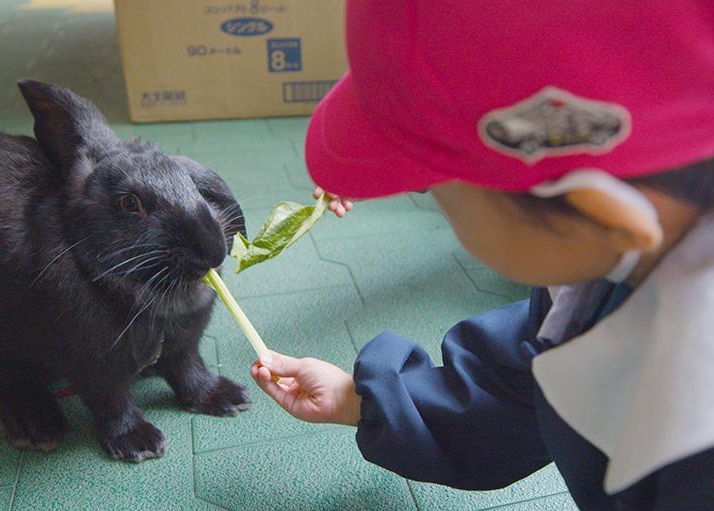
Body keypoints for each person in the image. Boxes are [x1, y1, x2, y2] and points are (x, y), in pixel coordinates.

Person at [251, 1, 714, 509]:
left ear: (598, 212)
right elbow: (525, 380)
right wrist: (359, 400)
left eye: (432, 189)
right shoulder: (603, 265)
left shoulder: (693, 439)